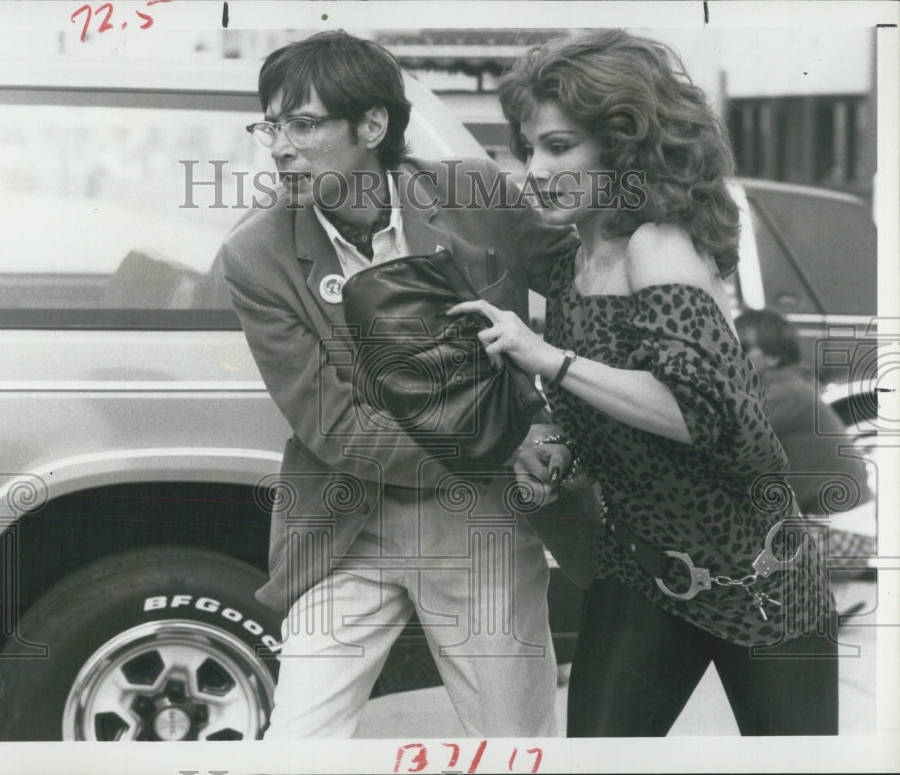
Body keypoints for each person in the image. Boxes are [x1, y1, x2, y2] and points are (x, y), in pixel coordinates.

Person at [449, 29, 838, 736]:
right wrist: (558, 445)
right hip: (642, 568)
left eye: (559, 146)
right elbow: (612, 397)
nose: (534, 169)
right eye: (528, 147)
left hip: (761, 578)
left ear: (624, 147)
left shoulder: (657, 244)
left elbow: (701, 413)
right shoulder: (573, 262)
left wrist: (546, 357)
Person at [219, 30, 570, 739]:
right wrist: (504, 446)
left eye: (304, 123)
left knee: (517, 744)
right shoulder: (255, 256)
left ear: (372, 126)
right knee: (297, 745)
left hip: (479, 522)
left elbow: (582, 285)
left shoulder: (477, 191)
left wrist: (557, 411)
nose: (280, 145)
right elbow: (336, 428)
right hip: (346, 522)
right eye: (271, 125)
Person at [735, 308, 874, 557]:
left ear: (773, 357)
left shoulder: (784, 393)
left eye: (741, 348)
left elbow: (729, 436)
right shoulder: (792, 385)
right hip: (846, 526)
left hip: (843, 534)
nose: (730, 357)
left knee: (747, 559)